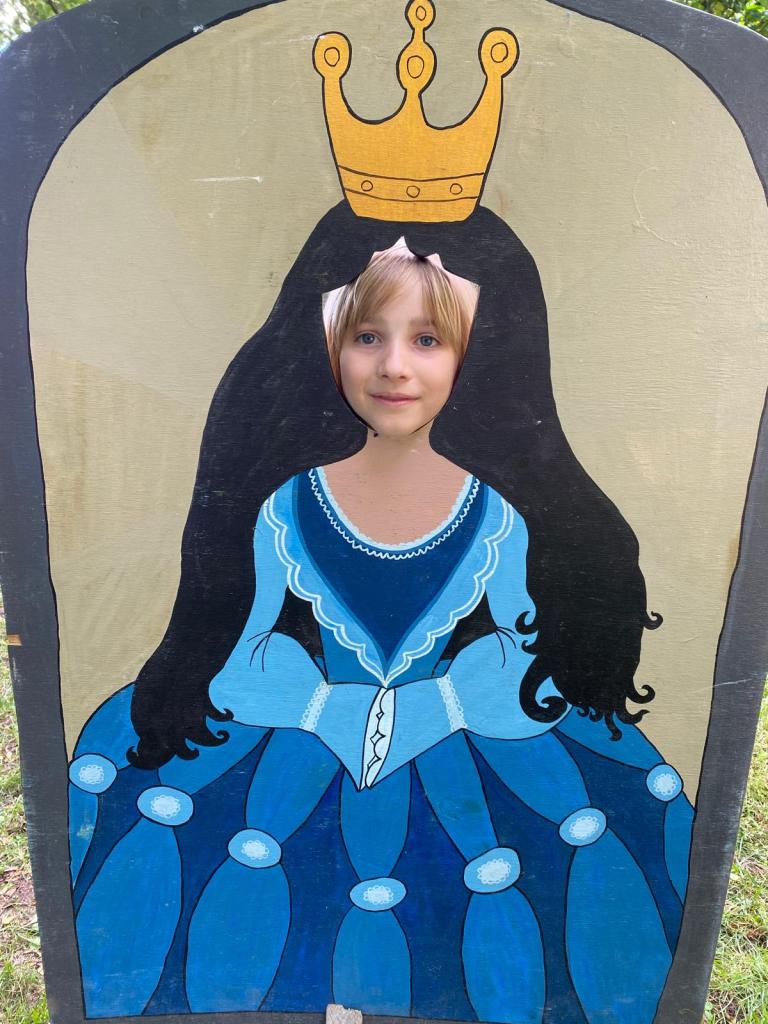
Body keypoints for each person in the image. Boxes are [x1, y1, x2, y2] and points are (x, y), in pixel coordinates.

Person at [68, 203, 694, 1023]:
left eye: (428, 340)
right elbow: (245, 647)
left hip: (468, 746)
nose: (394, 366)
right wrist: (323, 708)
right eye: (367, 336)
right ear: (324, 344)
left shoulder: (496, 514)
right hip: (293, 740)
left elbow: (521, 647)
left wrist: (445, 703)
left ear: (479, 354)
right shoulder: (287, 506)